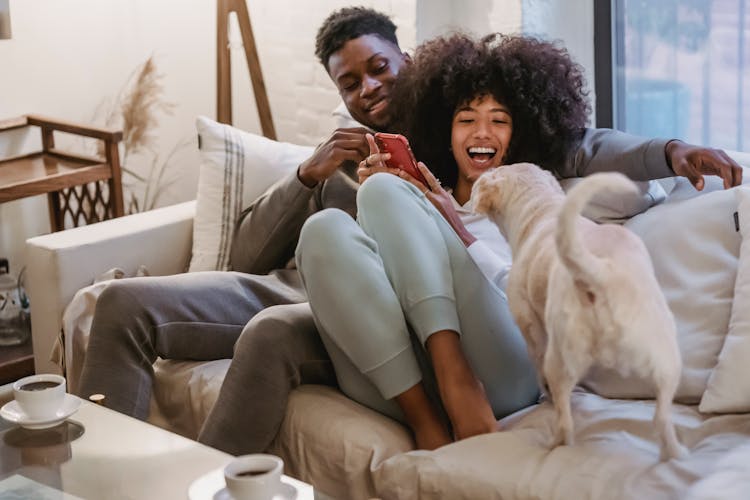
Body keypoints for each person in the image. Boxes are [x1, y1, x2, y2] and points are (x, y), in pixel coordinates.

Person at [294, 33, 743, 450]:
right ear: (443, 133)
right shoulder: (424, 194)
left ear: (522, 132)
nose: (481, 133)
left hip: (500, 373)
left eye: (500, 121)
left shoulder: (529, 196)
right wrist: (411, 208)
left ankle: (456, 381)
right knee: (324, 228)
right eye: (465, 120)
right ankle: (424, 422)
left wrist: (670, 152)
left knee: (383, 191)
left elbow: (600, 158)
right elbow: (373, 286)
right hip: (399, 377)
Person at [76, 7, 408, 453]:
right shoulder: (339, 155)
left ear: (403, 56)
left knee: (270, 330)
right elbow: (245, 259)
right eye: (349, 84)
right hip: (289, 290)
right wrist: (307, 174)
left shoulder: (456, 138)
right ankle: (103, 478)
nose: (368, 88)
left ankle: (204, 483)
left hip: (355, 314)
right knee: (119, 302)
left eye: (379, 68)